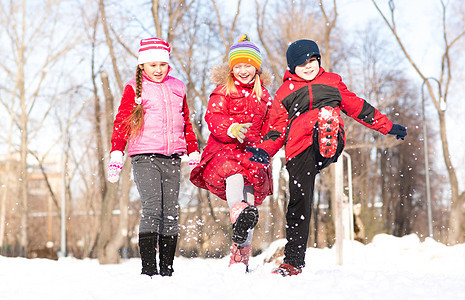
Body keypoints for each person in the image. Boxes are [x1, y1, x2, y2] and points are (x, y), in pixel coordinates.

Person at [247, 39, 407, 276]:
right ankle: (293, 262)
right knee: (299, 202)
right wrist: (264, 151)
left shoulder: (332, 82)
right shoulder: (284, 94)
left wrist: (387, 126)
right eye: (302, 63)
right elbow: (277, 130)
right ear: (292, 67)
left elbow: (357, 106)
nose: (308, 66)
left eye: (312, 60)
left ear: (318, 60)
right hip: (298, 150)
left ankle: (327, 132)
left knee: (326, 117)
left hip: (327, 138)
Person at [107, 37, 200, 277]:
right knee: (152, 208)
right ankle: (149, 270)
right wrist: (117, 152)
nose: (158, 70)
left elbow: (186, 123)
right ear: (142, 66)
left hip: (172, 157)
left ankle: (167, 270)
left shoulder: (178, 87)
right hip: (144, 156)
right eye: (152, 65)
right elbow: (122, 123)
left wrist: (193, 150)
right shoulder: (134, 88)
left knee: (171, 211)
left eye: (162, 65)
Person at [190, 34, 273, 272]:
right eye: (238, 66)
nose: (243, 70)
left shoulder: (264, 95)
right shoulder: (222, 91)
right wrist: (231, 128)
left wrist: (269, 145)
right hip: (226, 148)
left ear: (256, 68)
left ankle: (240, 258)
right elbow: (213, 117)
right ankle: (236, 209)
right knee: (234, 175)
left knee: (250, 204)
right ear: (231, 68)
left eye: (248, 65)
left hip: (254, 153)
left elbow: (270, 124)